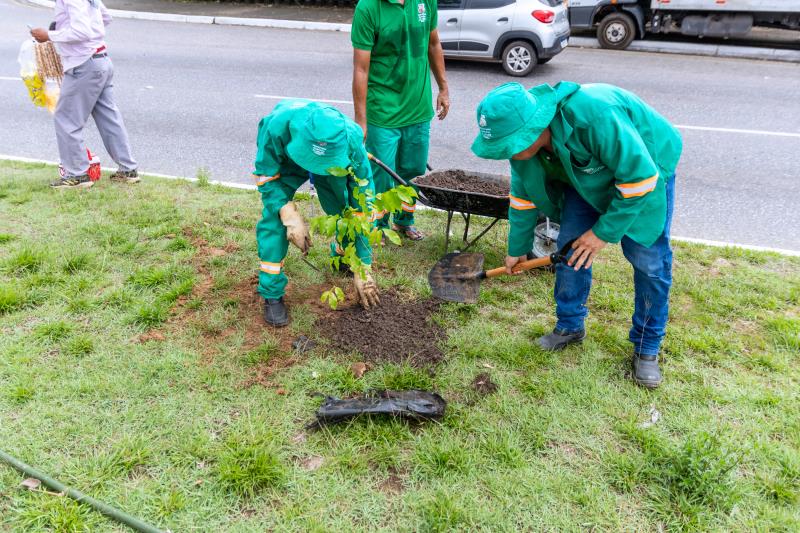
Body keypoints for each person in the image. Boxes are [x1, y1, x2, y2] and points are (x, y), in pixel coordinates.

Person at [471, 82, 682, 389]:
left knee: (648, 260)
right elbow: (523, 197)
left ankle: (647, 347)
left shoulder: (594, 114)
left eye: (511, 145)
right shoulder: (524, 152)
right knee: (570, 247)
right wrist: (517, 248)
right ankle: (570, 325)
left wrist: (601, 234)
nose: (509, 154)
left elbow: (639, 178)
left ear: (534, 127)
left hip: (644, 169)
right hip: (586, 174)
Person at [253, 99, 381, 326]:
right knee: (275, 221)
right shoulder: (276, 127)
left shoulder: (350, 138)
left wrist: (363, 265)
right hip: (288, 161)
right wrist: (287, 212)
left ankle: (344, 256)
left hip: (334, 166)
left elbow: (362, 202)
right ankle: (272, 294)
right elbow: (266, 175)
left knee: (346, 209)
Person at [351, 0, 449, 241]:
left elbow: (433, 44)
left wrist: (443, 88)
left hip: (418, 107)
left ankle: (404, 221)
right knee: (382, 173)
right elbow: (361, 69)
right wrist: (361, 120)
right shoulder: (369, 8)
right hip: (383, 109)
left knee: (414, 170)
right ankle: (379, 225)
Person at [30, 0, 138, 189]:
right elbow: (105, 17)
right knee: (108, 117)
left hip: (84, 64)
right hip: (101, 60)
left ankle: (77, 175)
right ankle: (128, 169)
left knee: (66, 119)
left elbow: (82, 31)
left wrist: (50, 35)